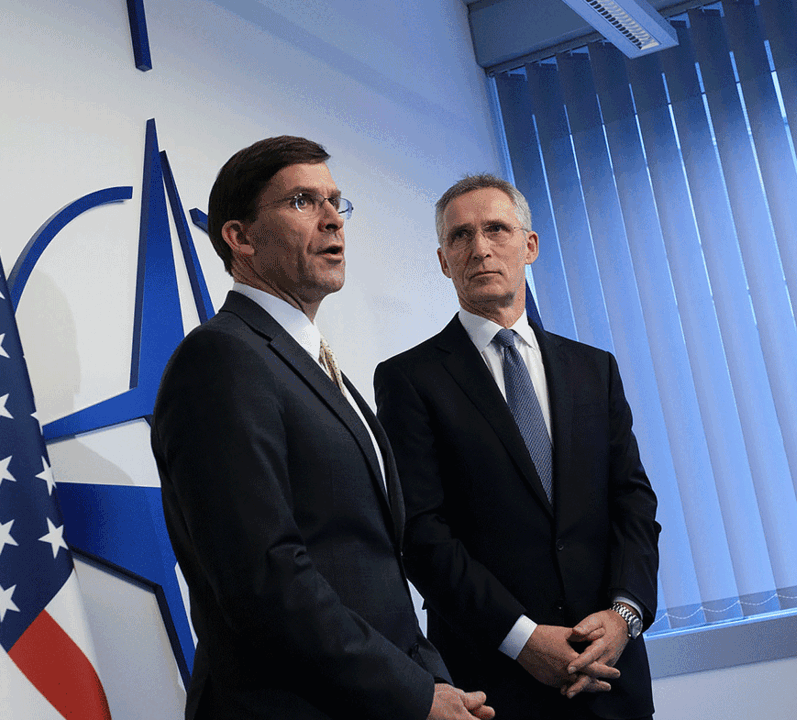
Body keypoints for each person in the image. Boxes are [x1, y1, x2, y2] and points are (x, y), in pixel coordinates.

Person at [151, 137, 494, 720]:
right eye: (303, 202)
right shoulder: (221, 360)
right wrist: (413, 694)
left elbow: (375, 565)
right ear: (239, 238)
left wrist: (433, 679)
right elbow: (265, 579)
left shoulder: (313, 364)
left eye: (336, 202)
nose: (333, 218)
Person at [374, 175, 660, 719]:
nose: (479, 248)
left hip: (611, 673)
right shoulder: (408, 379)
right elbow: (422, 534)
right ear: (443, 261)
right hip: (495, 683)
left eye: (496, 229)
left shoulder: (593, 369)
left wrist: (625, 615)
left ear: (529, 245)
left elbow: (634, 504)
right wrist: (523, 638)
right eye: (460, 237)